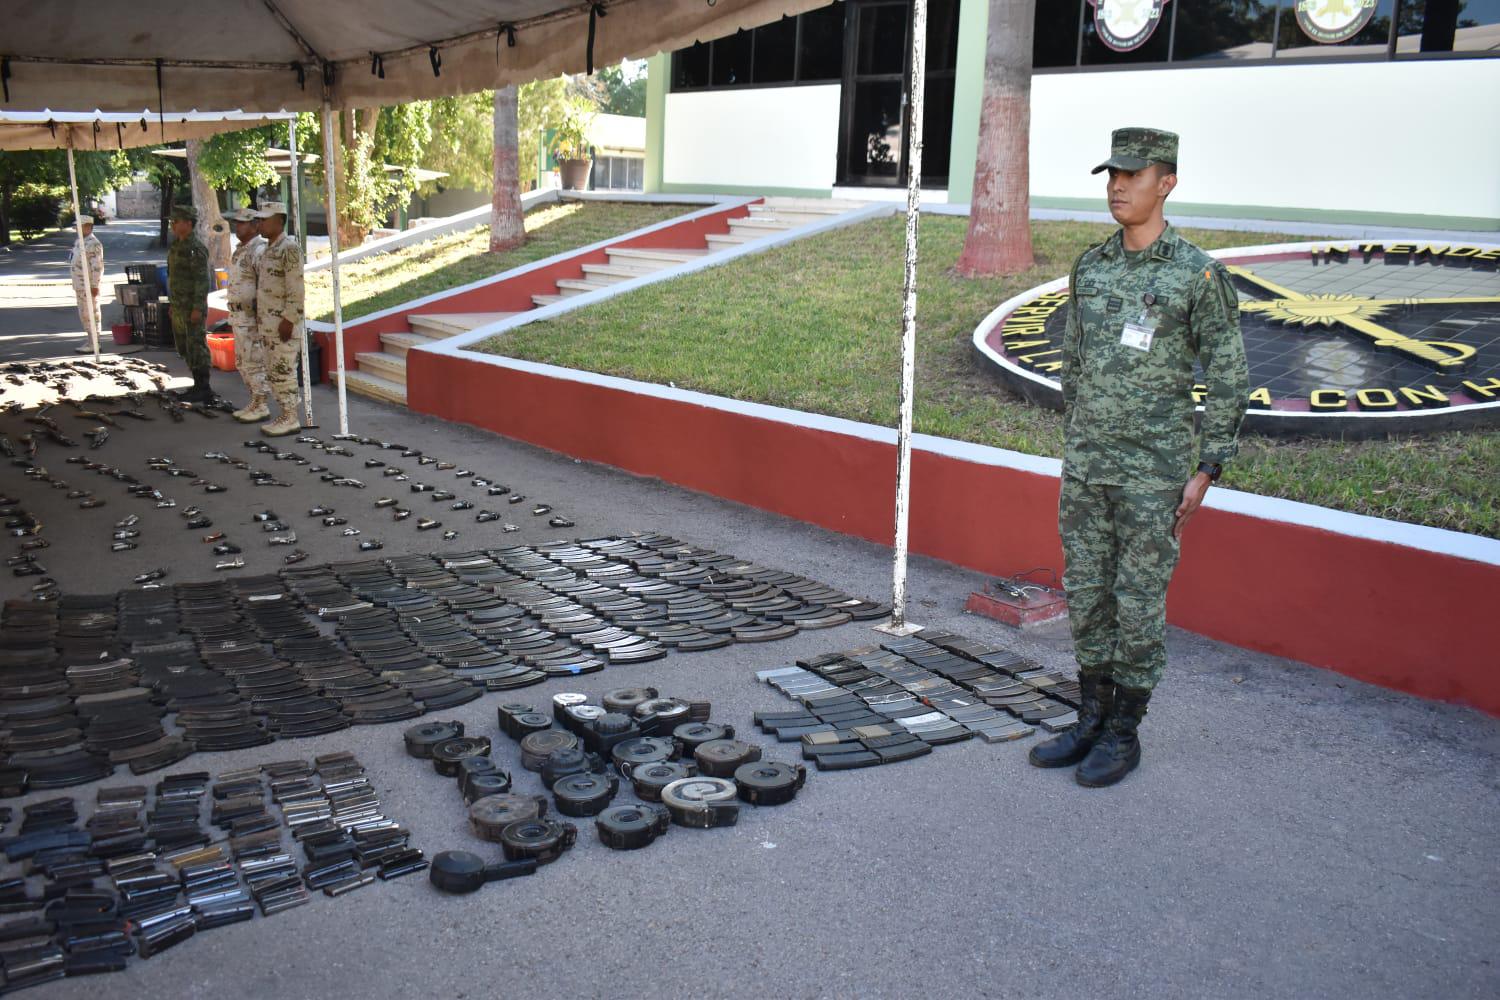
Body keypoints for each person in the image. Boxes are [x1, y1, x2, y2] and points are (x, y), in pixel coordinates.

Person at [1028, 127, 1250, 788]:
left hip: (1153, 475)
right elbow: (1073, 361)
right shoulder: (1091, 265)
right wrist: (1083, 436)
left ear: (1168, 182)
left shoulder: (1198, 273)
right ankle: (1090, 717)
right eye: (1112, 176)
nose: (1118, 187)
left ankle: (1124, 732)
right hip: (1088, 467)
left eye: (1133, 175)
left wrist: (1208, 467)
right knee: (1088, 595)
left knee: (1137, 603)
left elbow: (1231, 375)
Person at [253, 201, 304, 437]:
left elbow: (296, 289)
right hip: (268, 324)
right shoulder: (267, 250)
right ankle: (284, 413)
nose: (260, 223)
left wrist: (289, 319)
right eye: (259, 219)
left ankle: (290, 417)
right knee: (273, 372)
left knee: (283, 371)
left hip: (283, 324)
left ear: (279, 220)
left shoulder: (289, 248)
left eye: (264, 219)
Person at [224, 207, 269, 422]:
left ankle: (261, 404)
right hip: (238, 316)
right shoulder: (241, 249)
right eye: (237, 222)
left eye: (242, 223)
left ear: (255, 225)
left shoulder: (258, 250)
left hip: (252, 317)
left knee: (254, 361)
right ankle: (254, 400)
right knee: (243, 362)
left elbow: (266, 285)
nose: (237, 226)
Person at [166, 204, 214, 402]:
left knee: (196, 346)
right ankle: (196, 384)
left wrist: (197, 308)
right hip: (179, 306)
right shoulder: (177, 245)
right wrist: (173, 304)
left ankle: (204, 387)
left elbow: (202, 281)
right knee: (185, 347)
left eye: (175, 221)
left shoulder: (195, 248)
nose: (172, 225)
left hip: (191, 308)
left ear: (187, 223)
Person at [68, 215, 104, 344]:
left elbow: (97, 267)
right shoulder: (80, 242)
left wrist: (95, 285)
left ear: (88, 227)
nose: (76, 230)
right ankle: (90, 340)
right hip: (80, 285)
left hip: (88, 285)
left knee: (91, 313)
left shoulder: (93, 244)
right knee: (84, 314)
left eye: (79, 227)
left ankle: (94, 342)